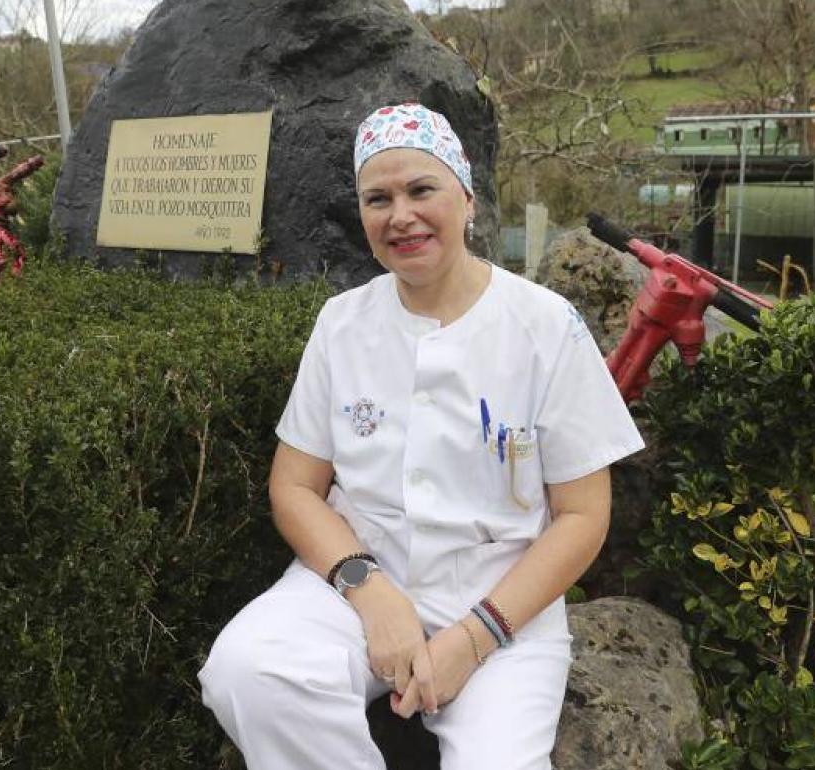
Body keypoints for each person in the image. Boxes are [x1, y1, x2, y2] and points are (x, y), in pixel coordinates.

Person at [197, 103, 645, 770]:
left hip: (503, 603)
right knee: (248, 672)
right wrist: (369, 591)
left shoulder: (545, 326)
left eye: (420, 190)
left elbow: (583, 516)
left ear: (466, 199)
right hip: (358, 581)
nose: (399, 214)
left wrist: (475, 636)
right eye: (377, 198)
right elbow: (295, 485)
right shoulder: (341, 324)